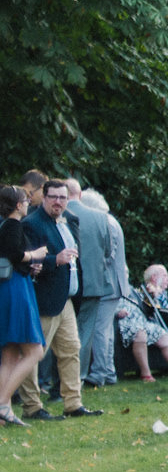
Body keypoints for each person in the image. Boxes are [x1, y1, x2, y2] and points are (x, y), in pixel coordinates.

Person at [20, 179, 95, 418]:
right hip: (43, 299)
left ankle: (73, 403)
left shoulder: (68, 220)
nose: (58, 202)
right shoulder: (31, 224)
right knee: (34, 354)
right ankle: (32, 407)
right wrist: (55, 260)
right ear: (44, 197)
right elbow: (27, 261)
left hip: (66, 298)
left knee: (72, 349)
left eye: (63, 198)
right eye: (53, 197)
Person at [67, 186, 125, 388]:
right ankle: (107, 371)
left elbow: (108, 254)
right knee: (105, 330)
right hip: (110, 283)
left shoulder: (105, 222)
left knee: (99, 330)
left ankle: (100, 372)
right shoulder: (110, 221)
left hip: (105, 283)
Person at [0, 186, 47, 426]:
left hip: (11, 285)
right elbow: (15, 254)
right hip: (16, 289)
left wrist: (29, 265)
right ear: (18, 205)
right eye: (25, 200)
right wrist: (35, 254)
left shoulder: (4, 225)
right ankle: (2, 402)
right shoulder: (13, 225)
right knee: (34, 350)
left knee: (10, 353)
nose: (28, 203)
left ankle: (4, 410)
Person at [116, 265, 168, 384]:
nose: (125, 275)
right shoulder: (112, 290)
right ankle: (146, 374)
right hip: (125, 323)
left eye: (126, 272)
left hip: (142, 321)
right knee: (140, 333)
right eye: (122, 272)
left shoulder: (133, 291)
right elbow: (105, 310)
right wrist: (116, 312)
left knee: (161, 333)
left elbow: (148, 309)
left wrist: (150, 297)